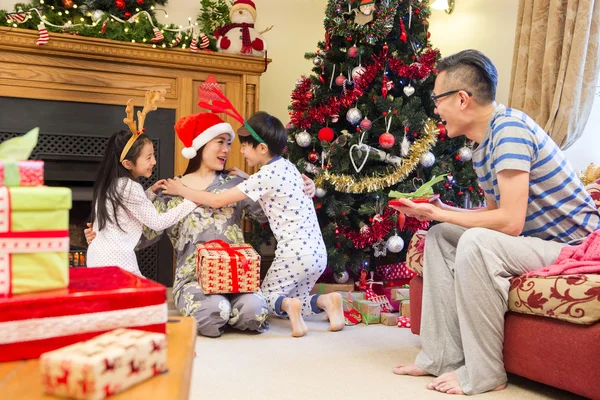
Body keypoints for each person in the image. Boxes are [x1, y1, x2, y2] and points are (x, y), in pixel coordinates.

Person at [389, 49, 600, 395]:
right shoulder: (482, 146)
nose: (436, 109)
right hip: (540, 243)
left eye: (438, 100)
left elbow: (510, 223)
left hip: (575, 249)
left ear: (461, 99)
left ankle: (485, 372)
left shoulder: (509, 131)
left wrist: (439, 212)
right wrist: (440, 210)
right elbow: (491, 217)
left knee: (474, 243)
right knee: (441, 236)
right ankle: (441, 356)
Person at [85, 112, 317, 338]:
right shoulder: (171, 189)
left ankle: (234, 308)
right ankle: (220, 308)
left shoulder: (234, 184)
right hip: (193, 279)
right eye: (220, 142)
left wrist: (302, 187)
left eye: (228, 143)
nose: (227, 150)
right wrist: (104, 236)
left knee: (254, 313)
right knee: (212, 314)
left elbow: (268, 212)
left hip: (237, 276)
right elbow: (145, 234)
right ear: (200, 146)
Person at [162, 111, 345, 338]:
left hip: (289, 254)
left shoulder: (254, 178)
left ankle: (290, 308)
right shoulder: (287, 167)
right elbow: (274, 190)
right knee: (293, 300)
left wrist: (182, 190)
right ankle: (327, 301)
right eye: (221, 142)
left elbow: (221, 200)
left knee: (266, 301)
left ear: (261, 148)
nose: (232, 150)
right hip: (316, 252)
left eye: (238, 145)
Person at [86, 92, 198, 276]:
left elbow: (128, 208)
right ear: (127, 164)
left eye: (153, 155)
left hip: (97, 256)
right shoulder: (129, 187)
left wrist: (150, 192)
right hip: (117, 260)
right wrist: (191, 203)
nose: (154, 161)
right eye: (148, 157)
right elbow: (157, 222)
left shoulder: (112, 184)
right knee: (143, 301)